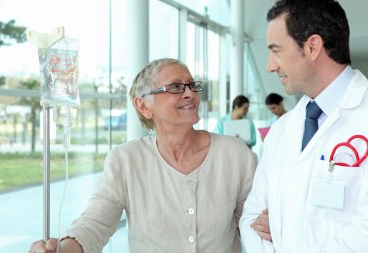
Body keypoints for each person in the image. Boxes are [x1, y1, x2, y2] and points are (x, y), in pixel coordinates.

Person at [29, 58, 256, 253]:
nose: (190, 93)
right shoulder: (126, 160)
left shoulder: (235, 155)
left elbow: (254, 222)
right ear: (143, 105)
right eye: (176, 87)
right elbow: (95, 223)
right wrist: (64, 248)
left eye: (192, 85)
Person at [240, 0, 368, 252]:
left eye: (276, 51)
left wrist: (282, 227)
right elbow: (251, 218)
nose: (270, 66)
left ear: (312, 47)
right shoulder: (282, 129)